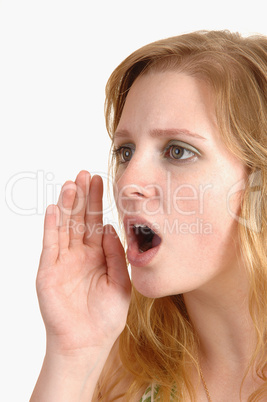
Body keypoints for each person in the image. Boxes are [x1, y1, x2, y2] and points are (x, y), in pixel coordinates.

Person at [30, 30, 267, 401]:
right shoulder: (123, 375)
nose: (127, 183)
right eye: (126, 151)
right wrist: (73, 356)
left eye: (177, 151)